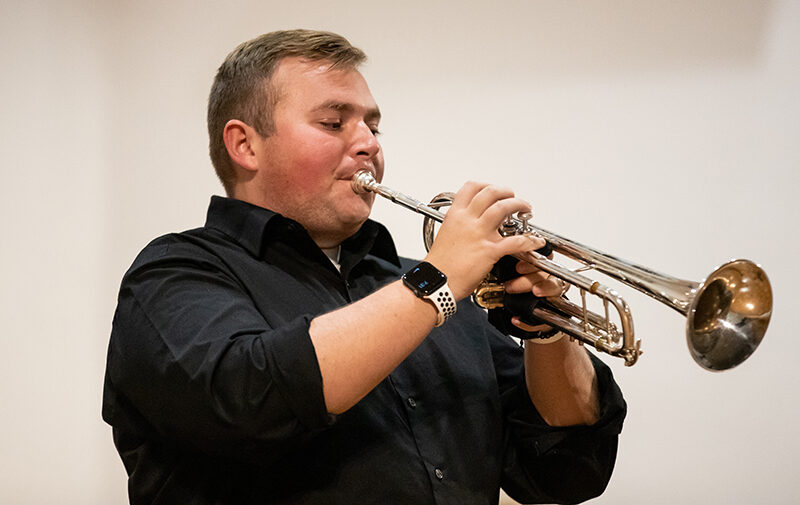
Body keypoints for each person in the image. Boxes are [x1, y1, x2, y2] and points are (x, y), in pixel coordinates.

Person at [102, 29, 626, 505]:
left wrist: (547, 331)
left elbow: (563, 470)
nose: (369, 144)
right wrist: (438, 280)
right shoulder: (174, 274)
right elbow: (253, 399)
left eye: (373, 126)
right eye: (334, 123)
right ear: (245, 144)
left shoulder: (425, 284)